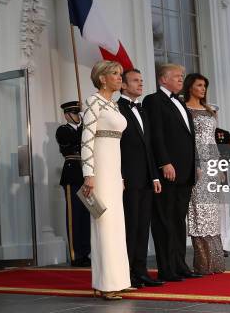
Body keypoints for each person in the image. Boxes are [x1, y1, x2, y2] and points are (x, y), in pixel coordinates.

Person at [143, 63, 201, 281]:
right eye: (177, 76)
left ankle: (180, 265)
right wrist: (164, 162)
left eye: (182, 76)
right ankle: (167, 268)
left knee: (178, 221)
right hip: (168, 171)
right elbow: (156, 134)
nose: (180, 79)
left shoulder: (180, 102)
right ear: (162, 79)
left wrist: (195, 164)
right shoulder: (153, 100)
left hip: (185, 172)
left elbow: (188, 137)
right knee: (164, 220)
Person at [80, 61, 132, 300]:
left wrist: (120, 175)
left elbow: (116, 145)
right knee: (104, 223)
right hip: (99, 170)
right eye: (115, 74)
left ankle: (117, 280)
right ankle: (104, 283)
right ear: (102, 78)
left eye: (120, 74)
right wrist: (88, 174)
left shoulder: (113, 105)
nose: (119, 77)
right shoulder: (93, 102)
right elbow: (87, 139)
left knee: (116, 225)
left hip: (113, 171)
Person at [117, 69, 164, 288]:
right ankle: (125, 273)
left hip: (146, 177)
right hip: (128, 177)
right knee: (130, 226)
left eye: (141, 81)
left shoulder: (142, 110)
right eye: (135, 81)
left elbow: (149, 147)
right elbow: (115, 148)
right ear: (123, 85)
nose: (140, 84)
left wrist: (155, 176)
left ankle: (141, 270)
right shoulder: (116, 109)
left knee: (143, 226)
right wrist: (120, 176)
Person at [182, 73, 225, 275]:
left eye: (205, 85)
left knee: (212, 212)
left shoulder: (209, 111)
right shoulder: (185, 109)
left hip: (211, 163)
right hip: (196, 164)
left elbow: (213, 141)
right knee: (198, 211)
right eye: (199, 85)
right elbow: (187, 140)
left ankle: (215, 262)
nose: (203, 89)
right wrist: (194, 164)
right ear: (190, 87)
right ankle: (202, 263)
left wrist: (220, 167)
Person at [56, 101, 91, 267]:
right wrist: (85, 126)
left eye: (79, 113)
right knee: (74, 217)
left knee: (86, 217)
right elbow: (74, 143)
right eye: (75, 114)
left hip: (86, 175)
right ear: (67, 115)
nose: (78, 116)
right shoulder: (63, 130)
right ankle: (75, 254)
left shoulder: (83, 129)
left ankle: (85, 252)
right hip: (73, 175)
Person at [213, 104, 230, 258]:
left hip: (222, 176)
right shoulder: (196, 133)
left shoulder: (224, 134)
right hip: (203, 176)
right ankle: (212, 245)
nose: (212, 116)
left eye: (214, 113)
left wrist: (220, 165)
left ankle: (224, 244)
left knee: (224, 211)